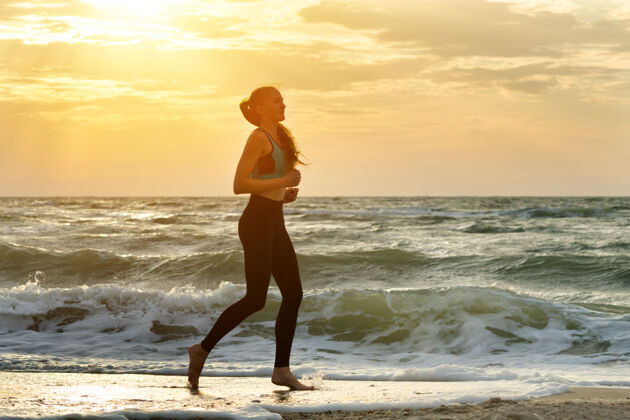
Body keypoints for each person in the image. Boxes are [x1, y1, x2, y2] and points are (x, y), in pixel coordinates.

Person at [187, 86, 314, 391]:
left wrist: (282, 195)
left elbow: (264, 184)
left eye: (283, 100)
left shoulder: (281, 137)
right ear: (259, 108)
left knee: (293, 294)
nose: (283, 104)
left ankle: (281, 370)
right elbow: (239, 183)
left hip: (274, 219)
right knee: (256, 298)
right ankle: (201, 349)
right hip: (256, 222)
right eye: (276, 101)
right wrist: (283, 181)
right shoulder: (258, 137)